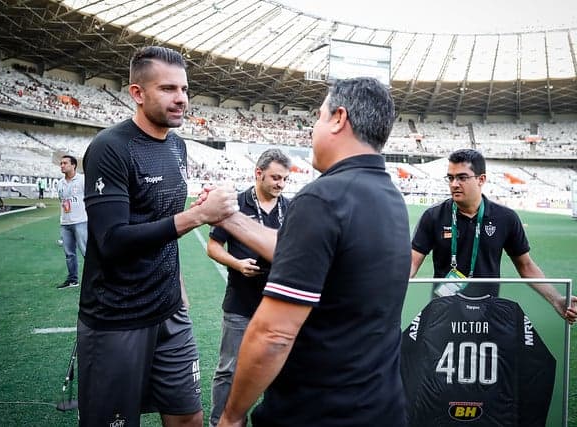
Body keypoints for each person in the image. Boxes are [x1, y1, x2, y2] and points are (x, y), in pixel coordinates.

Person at [210, 77, 411, 427]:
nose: (312, 129)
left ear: (338, 118)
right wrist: (229, 217)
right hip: (379, 406)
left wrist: (231, 414)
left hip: (319, 411)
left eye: (318, 116)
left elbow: (274, 334)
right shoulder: (389, 197)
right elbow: (295, 251)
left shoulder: (322, 198)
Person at [78, 46, 237, 427]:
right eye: (168, 89)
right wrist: (199, 215)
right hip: (118, 317)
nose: (181, 98)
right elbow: (112, 240)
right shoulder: (110, 148)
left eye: (184, 89)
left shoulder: (177, 145)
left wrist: (176, 281)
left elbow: (161, 218)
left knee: (188, 419)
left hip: (170, 311)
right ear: (137, 93)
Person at [410, 148, 577, 322]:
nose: (454, 184)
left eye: (462, 177)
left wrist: (557, 300)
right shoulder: (433, 216)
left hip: (487, 314)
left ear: (481, 179)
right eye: (450, 178)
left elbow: (526, 266)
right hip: (443, 312)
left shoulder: (506, 218)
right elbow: (412, 263)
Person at [207, 148, 291, 427]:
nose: (280, 184)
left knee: (276, 368)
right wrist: (236, 263)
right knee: (228, 369)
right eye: (275, 177)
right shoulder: (236, 204)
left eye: (284, 179)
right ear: (258, 173)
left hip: (277, 305)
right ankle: (219, 421)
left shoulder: (290, 208)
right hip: (240, 304)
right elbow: (213, 246)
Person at [57, 155, 87, 289]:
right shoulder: (59, 183)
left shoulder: (82, 180)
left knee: (86, 251)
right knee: (69, 254)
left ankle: (98, 278)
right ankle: (72, 280)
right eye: (61, 163)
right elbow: (62, 200)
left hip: (81, 221)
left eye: (65, 163)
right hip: (65, 222)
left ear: (73, 165)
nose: (62, 165)